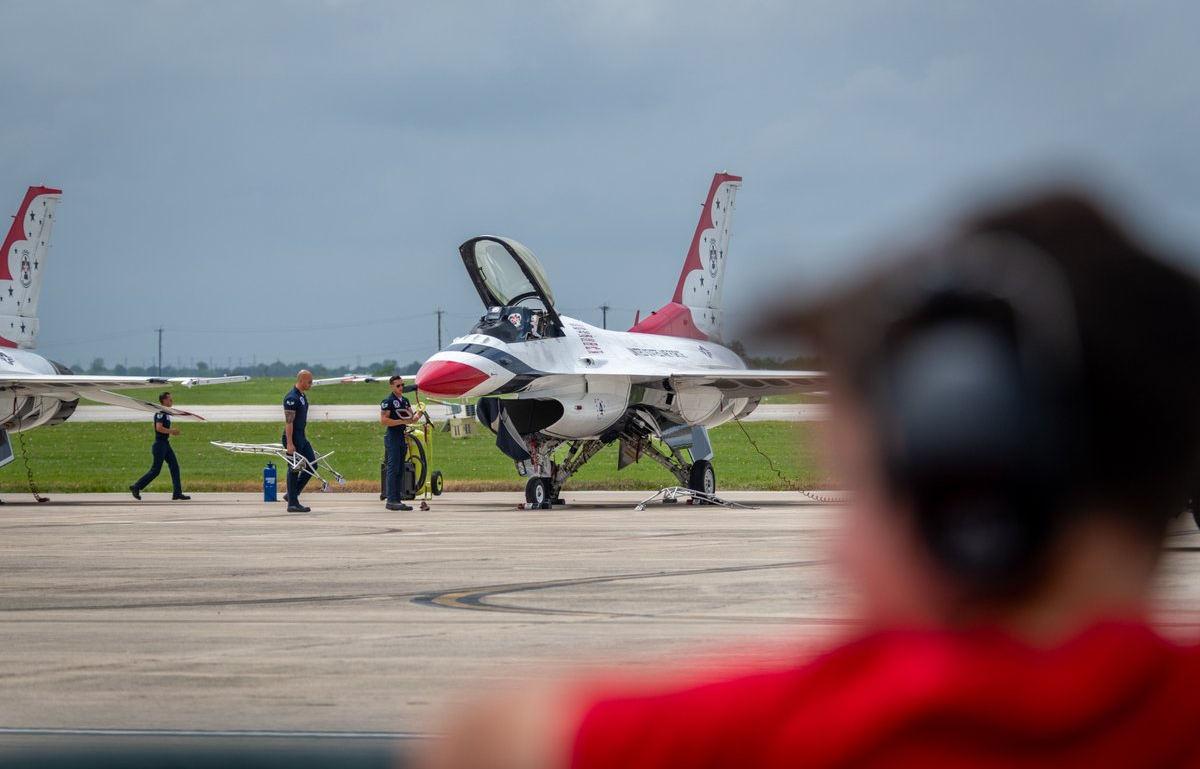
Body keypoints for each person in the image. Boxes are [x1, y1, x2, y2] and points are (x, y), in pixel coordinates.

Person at [419, 187, 1200, 767]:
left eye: (862, 484)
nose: (835, 550)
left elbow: (482, 735)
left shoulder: (812, 732)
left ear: (959, 492)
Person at [129, 391, 191, 501]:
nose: (172, 401)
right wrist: (172, 431)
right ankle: (136, 486)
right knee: (155, 471)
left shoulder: (166, 413)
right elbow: (159, 428)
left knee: (175, 467)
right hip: (160, 445)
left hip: (165, 444)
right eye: (170, 399)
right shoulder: (160, 413)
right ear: (164, 401)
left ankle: (177, 492)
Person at [381, 375, 424, 512]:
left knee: (400, 468)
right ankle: (391, 499)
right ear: (392, 386)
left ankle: (397, 498)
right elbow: (383, 420)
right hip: (392, 436)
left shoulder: (405, 401)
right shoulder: (388, 401)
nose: (401, 388)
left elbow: (411, 419)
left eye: (402, 385)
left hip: (401, 435)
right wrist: (401, 422)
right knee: (393, 468)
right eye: (398, 385)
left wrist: (418, 414)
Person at [283, 369, 316, 513]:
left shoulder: (302, 396)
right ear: (301, 381)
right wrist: (290, 444)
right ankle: (292, 503)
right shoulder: (292, 398)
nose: (311, 384)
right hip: (293, 438)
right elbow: (289, 423)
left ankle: (292, 494)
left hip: (301, 437)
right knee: (294, 469)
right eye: (309, 382)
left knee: (312, 465)